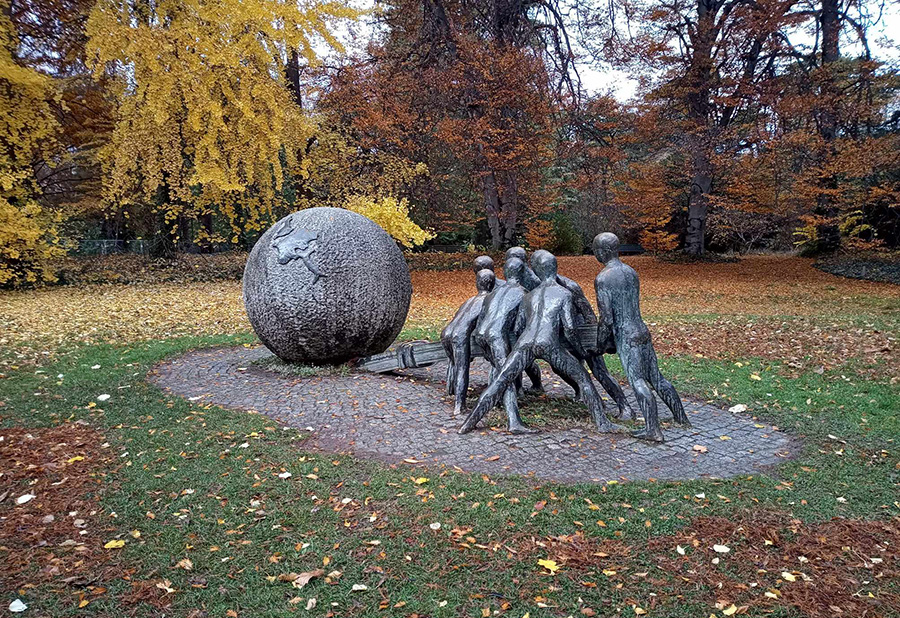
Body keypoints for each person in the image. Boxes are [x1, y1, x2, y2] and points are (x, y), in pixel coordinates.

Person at [459, 251, 621, 435]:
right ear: (555, 268)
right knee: (584, 380)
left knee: (500, 381)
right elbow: (569, 328)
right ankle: (602, 423)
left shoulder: (529, 296)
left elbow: (520, 326)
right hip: (549, 344)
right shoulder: (563, 294)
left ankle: (468, 424)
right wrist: (580, 349)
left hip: (525, 344)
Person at [593, 232, 691, 441]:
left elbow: (607, 318)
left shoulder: (603, 278)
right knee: (657, 378)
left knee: (638, 381)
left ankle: (653, 429)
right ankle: (681, 418)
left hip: (626, 335)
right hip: (641, 329)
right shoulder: (631, 272)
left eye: (595, 251)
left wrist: (600, 343)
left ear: (602, 251)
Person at [471, 257, 535, 433]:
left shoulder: (494, 291)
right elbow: (519, 326)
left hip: (481, 335)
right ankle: (513, 421)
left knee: (499, 371)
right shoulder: (523, 293)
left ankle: (497, 401)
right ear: (522, 273)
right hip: (496, 337)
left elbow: (482, 316)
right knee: (505, 378)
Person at [441, 268, 495, 414]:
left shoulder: (470, 300)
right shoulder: (489, 300)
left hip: (446, 333)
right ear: (492, 284)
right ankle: (459, 405)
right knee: (462, 368)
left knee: (455, 364)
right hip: (460, 335)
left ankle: (452, 388)